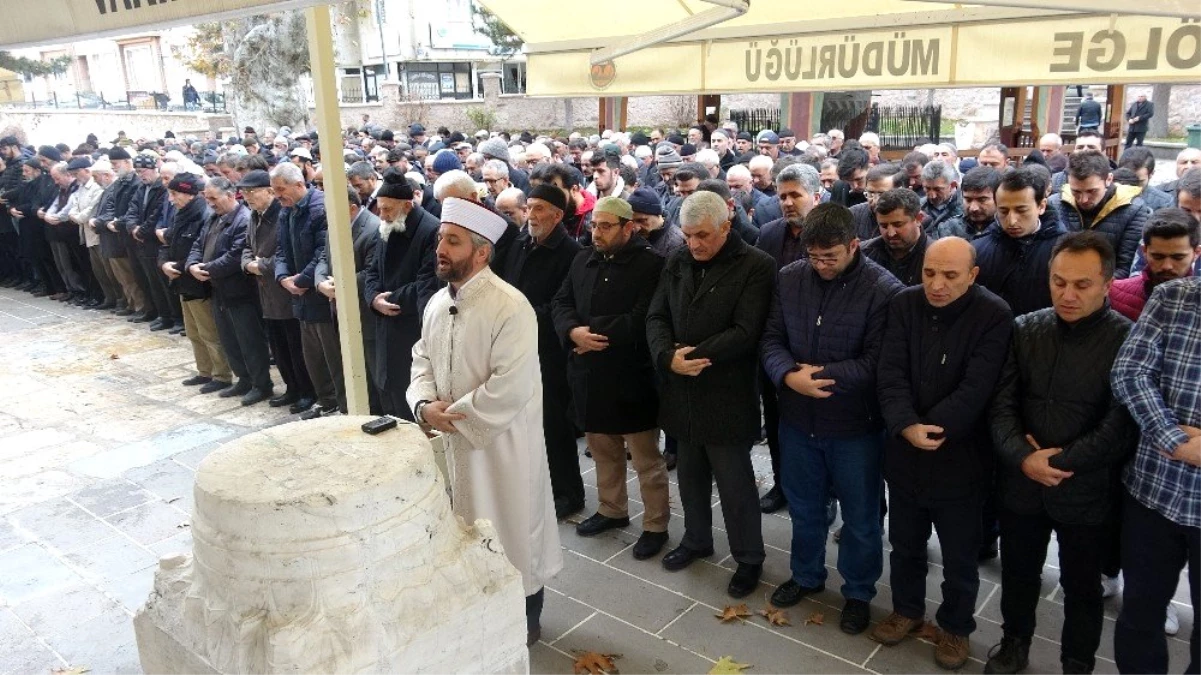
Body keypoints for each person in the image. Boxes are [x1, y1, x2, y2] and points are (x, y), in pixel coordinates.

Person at [407, 197, 562, 647]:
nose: (441, 248)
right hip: (454, 443)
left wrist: (450, 416)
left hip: (501, 449)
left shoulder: (511, 307)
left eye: (452, 241)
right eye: (441, 238)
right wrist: (422, 405)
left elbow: (510, 385)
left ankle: (526, 620)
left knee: (512, 530)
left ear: (481, 252)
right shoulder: (438, 302)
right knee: (462, 532)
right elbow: (422, 357)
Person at [984, 232, 1136, 675]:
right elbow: (1002, 404)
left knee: (1082, 586)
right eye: (1058, 282)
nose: (1067, 294)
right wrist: (1022, 457)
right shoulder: (1025, 328)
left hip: (1086, 489)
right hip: (1022, 482)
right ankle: (1014, 643)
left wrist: (1060, 461)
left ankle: (1078, 661)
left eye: (1081, 285)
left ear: (1108, 283)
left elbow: (1120, 424)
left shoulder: (1127, 338)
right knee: (1018, 573)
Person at [760, 202, 902, 634]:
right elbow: (771, 339)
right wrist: (786, 374)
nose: (820, 265)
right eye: (813, 257)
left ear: (854, 245)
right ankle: (806, 575)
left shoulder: (883, 289)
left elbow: (879, 361)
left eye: (830, 257)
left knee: (860, 519)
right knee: (805, 507)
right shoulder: (789, 279)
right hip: (798, 420)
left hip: (855, 426)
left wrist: (815, 377)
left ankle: (858, 592)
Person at [872, 236, 1013, 668]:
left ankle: (955, 627)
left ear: (973, 275)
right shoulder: (903, 304)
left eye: (950, 276)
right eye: (930, 273)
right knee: (905, 543)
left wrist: (930, 427)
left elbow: (977, 388)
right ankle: (907, 610)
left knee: (959, 555)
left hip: (960, 457)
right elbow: (890, 371)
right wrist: (905, 424)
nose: (936, 284)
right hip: (904, 452)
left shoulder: (994, 314)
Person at [646, 190, 773, 599]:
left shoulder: (756, 265)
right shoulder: (678, 260)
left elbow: (745, 331)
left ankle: (749, 557)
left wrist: (691, 357)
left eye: (703, 235)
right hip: (680, 389)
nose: (695, 244)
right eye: (687, 235)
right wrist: (667, 357)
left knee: (734, 483)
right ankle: (697, 539)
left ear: (726, 226)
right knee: (689, 473)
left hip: (725, 392)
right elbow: (657, 315)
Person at [553, 196, 670, 559]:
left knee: (645, 459)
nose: (597, 233)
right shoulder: (582, 257)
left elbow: (644, 316)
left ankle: (656, 524)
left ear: (628, 227)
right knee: (603, 450)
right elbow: (561, 302)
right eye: (594, 226)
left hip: (631, 376)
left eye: (605, 226)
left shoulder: (651, 263)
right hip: (589, 375)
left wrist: (595, 335)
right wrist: (573, 333)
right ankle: (612, 509)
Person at [1111, 273, 1201, 673]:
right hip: (1154, 490)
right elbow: (1130, 373)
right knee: (1140, 614)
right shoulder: (1173, 297)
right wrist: (1175, 439)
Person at [500, 183, 585, 519]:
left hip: (549, 352)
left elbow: (565, 305)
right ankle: (535, 484)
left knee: (553, 425)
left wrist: (519, 314)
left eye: (539, 209)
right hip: (515, 347)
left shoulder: (571, 253)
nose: (532, 215)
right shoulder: (521, 243)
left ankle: (568, 493)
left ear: (557, 215)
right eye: (530, 207)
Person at [754, 163, 823, 513]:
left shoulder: (832, 233)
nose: (787, 202)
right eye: (782, 196)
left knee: (818, 431)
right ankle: (782, 484)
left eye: (795, 195)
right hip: (776, 347)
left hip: (819, 349)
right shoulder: (768, 234)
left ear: (817, 194)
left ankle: (824, 497)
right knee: (780, 424)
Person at [187, 177, 274, 406]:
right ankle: (243, 379)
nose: (210, 203)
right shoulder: (212, 218)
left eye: (214, 198)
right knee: (229, 339)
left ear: (229, 195)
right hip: (218, 290)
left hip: (241, 291)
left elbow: (235, 256)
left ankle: (261, 384)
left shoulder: (243, 219)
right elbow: (198, 244)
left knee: (249, 340)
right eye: (207, 199)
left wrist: (205, 269)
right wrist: (192, 265)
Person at [362, 169, 440, 419]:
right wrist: (373, 298)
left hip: (409, 326)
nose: (381, 215)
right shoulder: (387, 225)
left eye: (387, 209)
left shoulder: (430, 230)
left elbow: (427, 283)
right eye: (380, 208)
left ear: (407, 206)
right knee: (388, 390)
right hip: (384, 322)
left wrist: (389, 301)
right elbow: (372, 270)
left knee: (410, 396)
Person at [271, 162, 345, 419]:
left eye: (281, 189)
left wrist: (302, 280)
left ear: (299, 184)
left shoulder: (319, 208)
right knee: (312, 356)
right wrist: (282, 278)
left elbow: (323, 252)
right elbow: (280, 248)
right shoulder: (286, 211)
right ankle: (325, 400)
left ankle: (338, 402)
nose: (277, 196)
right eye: (275, 190)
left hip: (319, 296)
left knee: (331, 356)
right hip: (299, 297)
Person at [240, 169, 315, 414]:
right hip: (266, 293)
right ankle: (291, 388)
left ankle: (305, 390)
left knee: (295, 346)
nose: (247, 197)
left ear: (268, 191)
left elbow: (286, 252)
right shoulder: (254, 216)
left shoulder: (282, 213)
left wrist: (260, 265)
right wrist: (248, 263)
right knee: (278, 346)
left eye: (252, 192)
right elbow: (246, 246)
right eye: (244, 192)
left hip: (284, 290)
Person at [159, 173, 230, 392]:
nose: (171, 199)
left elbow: (201, 250)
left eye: (175, 194)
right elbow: (168, 242)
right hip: (182, 282)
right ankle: (204, 371)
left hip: (198, 283)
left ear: (189, 194)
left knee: (209, 332)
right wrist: (163, 264)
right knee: (193, 332)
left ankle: (221, 374)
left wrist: (179, 267)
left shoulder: (203, 215)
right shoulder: (181, 214)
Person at [973, 167, 1067, 316]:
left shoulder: (1064, 250)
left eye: (1021, 210)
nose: (1012, 220)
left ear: (1041, 206)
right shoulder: (977, 249)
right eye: (1003, 211)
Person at [1110, 209, 1200, 321]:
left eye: (1178, 257)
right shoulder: (1114, 294)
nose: (1167, 266)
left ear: (1196, 253)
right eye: (1158, 257)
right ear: (1144, 251)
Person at [862, 188, 929, 286]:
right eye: (883, 226)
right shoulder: (864, 254)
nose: (891, 233)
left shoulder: (937, 258)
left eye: (898, 225)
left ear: (919, 219)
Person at [934, 167, 1001, 240]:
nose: (974, 208)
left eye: (982, 200)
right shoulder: (948, 229)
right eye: (968, 200)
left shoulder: (1008, 230)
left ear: (998, 198)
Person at [920, 160, 964, 238]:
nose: (932, 196)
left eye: (938, 189)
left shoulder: (966, 207)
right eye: (927, 188)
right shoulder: (919, 206)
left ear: (953, 185)